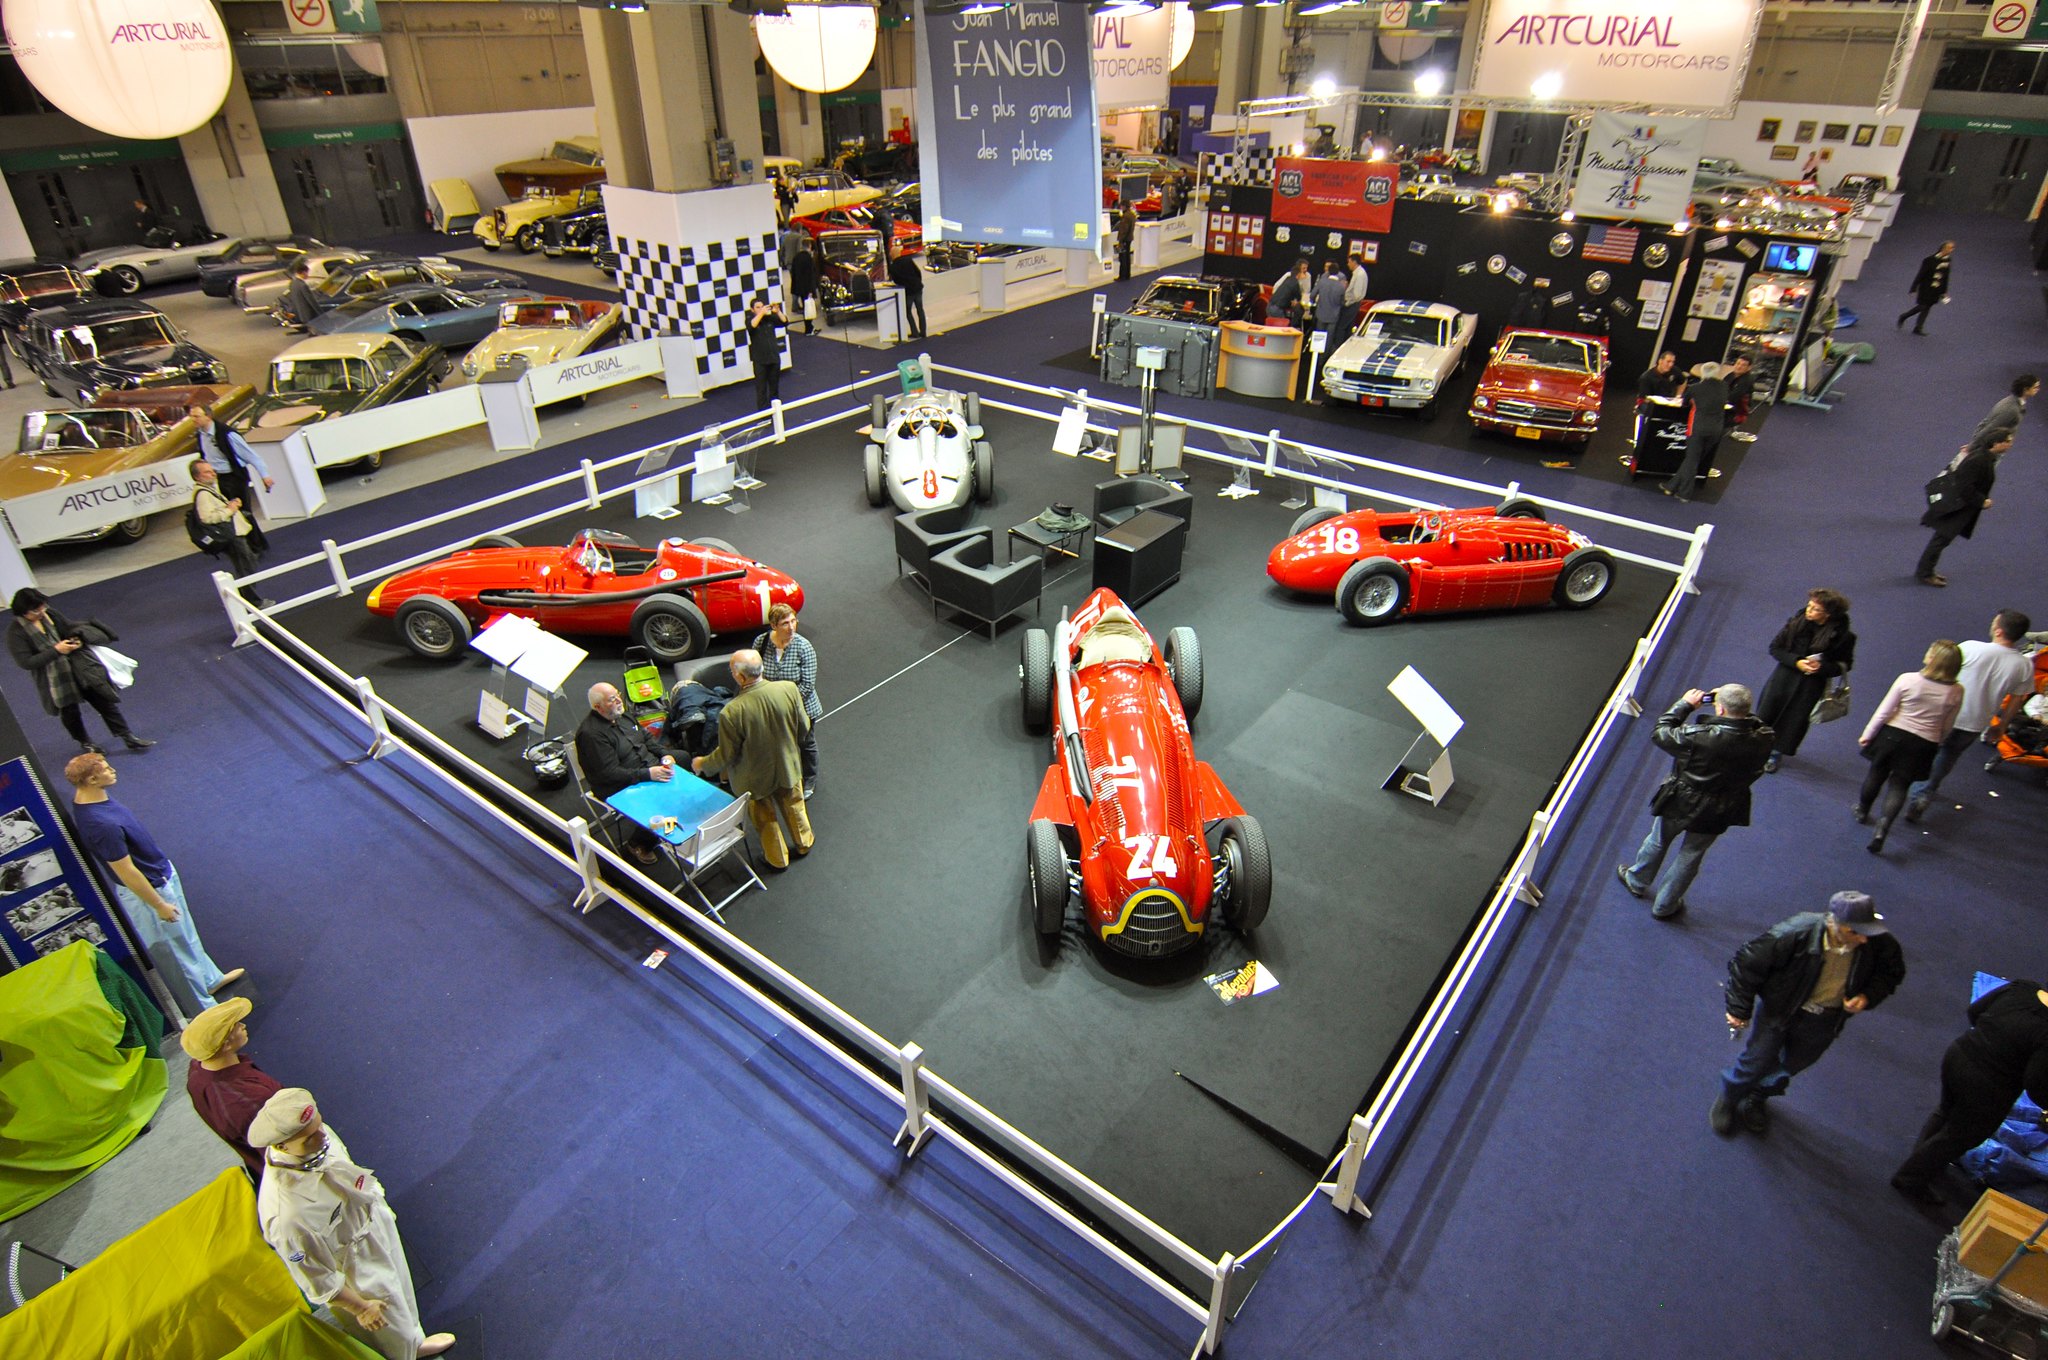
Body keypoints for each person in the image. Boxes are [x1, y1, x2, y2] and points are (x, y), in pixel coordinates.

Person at [251, 1090, 457, 1359]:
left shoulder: (316, 1137)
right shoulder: (287, 1215)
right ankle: (406, 1353)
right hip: (354, 1265)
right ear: (282, 1146)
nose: (322, 1136)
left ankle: (415, 1341)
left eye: (318, 1125)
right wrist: (360, 1307)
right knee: (388, 1324)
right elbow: (317, 1278)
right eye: (309, 1138)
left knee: (401, 1291)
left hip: (371, 1223)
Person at [1714, 892, 1904, 1137]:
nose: (1864, 939)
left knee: (1789, 1066)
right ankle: (1730, 1097)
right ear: (1834, 924)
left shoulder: (1876, 941)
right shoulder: (1796, 932)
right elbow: (1746, 964)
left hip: (1825, 1019)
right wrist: (1739, 1008)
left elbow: (1892, 972)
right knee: (1755, 1060)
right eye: (1855, 932)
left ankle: (1758, 1096)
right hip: (1780, 1010)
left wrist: (1868, 995)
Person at [65, 751, 240, 1017]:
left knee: (186, 936)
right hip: (150, 892)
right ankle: (205, 1013)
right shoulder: (100, 824)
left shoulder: (96, 801)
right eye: (106, 769)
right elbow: (126, 871)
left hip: (160, 875)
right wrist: (158, 904)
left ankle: (209, 979)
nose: (113, 771)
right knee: (175, 953)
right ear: (92, 779)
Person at [1616, 684, 1774, 920]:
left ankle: (1637, 880)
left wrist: (1685, 705)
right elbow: (1756, 725)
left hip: (1681, 799)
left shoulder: (1699, 736)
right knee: (1692, 854)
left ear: (1720, 709)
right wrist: (1735, 708)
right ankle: (1665, 905)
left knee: (1658, 840)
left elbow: (1660, 732)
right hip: (1722, 805)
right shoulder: (1764, 737)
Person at [1892, 979, 2048, 1207]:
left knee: (1946, 1112)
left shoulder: (2021, 988)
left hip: (1959, 1054)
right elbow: (2035, 1082)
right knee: (1959, 1136)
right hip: (1988, 1086)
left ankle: (1922, 1159)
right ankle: (1911, 1178)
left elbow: (1975, 1010)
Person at [1908, 610, 2035, 821]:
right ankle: (1924, 793)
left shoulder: (1970, 647)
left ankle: (1908, 780)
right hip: (1976, 722)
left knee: (1927, 748)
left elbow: (1941, 672)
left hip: (1945, 713)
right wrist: (2001, 725)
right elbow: (2016, 699)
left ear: (1998, 630)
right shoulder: (2024, 665)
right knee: (1948, 756)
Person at [691, 650, 813, 870]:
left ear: (740, 677)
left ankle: (777, 859)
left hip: (754, 779)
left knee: (765, 820)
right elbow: (803, 727)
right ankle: (804, 843)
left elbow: (726, 754)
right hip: (788, 766)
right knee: (795, 806)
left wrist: (702, 763)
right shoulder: (789, 689)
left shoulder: (731, 711)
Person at [7, 588, 153, 754]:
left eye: (43, 607)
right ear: (23, 612)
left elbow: (68, 628)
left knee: (103, 701)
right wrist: (56, 650)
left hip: (78, 667)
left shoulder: (50, 614)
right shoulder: (16, 633)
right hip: (55, 680)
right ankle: (85, 742)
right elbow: (26, 662)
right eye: (36, 610)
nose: (41, 612)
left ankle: (127, 736)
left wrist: (77, 640)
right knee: (70, 712)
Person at [1856, 639, 1964, 854]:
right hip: (1924, 743)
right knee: (1900, 786)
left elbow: (1884, 712)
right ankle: (1883, 827)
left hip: (1892, 736)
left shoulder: (1908, 679)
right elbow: (1948, 724)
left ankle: (1862, 810)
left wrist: (1868, 734)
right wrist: (1938, 741)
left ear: (1933, 659)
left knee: (1876, 774)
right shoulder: (1956, 691)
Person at [1754, 588, 1856, 773]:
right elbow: (1775, 648)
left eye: (1815, 609)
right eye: (1809, 606)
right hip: (1783, 678)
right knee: (1766, 713)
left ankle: (1774, 753)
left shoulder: (1844, 638)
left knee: (1792, 722)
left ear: (1828, 614)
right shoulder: (1796, 623)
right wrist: (1796, 662)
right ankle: (1754, 748)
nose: (1809, 610)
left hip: (1810, 686)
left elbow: (1845, 664)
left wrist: (1822, 668)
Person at [576, 682, 676, 866]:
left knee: (683, 759)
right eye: (611, 699)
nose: (618, 701)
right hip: (618, 784)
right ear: (598, 707)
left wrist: (664, 754)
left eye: (618, 695)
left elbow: (646, 738)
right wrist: (647, 774)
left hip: (646, 767)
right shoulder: (591, 735)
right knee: (663, 799)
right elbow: (608, 773)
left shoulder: (623, 715)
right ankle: (639, 844)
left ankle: (676, 812)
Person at [182, 996, 282, 1177]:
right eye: (236, 1025)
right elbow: (283, 1149)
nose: (243, 1025)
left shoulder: (197, 1072)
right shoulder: (248, 1100)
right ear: (226, 1044)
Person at [1915, 427, 2009, 587]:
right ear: (1996, 443)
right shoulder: (1979, 460)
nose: (2010, 444)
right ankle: (1925, 573)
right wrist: (1982, 501)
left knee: (1941, 539)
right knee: (1941, 539)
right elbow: (1965, 487)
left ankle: (1926, 571)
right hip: (1958, 507)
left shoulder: (1985, 456)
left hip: (1960, 505)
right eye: (2007, 441)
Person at [753, 603, 821, 800]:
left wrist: (784, 705)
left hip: (801, 708)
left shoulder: (804, 647)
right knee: (778, 743)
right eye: (785, 623)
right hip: (772, 707)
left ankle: (809, 778)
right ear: (773, 625)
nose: (791, 627)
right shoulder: (761, 642)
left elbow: (807, 685)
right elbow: (756, 673)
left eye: (793, 621)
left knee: (806, 743)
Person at [190, 402, 272, 554]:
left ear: (208, 416)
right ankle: (244, 547)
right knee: (229, 514)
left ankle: (257, 546)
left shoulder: (227, 434)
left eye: (196, 416)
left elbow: (251, 456)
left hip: (234, 478)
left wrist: (265, 476)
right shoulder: (201, 435)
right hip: (217, 479)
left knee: (244, 513)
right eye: (192, 416)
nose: (193, 420)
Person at [191, 459, 269, 606]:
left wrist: (230, 505)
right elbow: (206, 518)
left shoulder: (209, 490)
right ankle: (253, 602)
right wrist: (230, 510)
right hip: (232, 536)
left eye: (212, 470)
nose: (213, 473)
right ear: (198, 477)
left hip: (233, 534)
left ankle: (244, 598)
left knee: (247, 564)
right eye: (207, 472)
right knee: (246, 567)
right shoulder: (203, 495)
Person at [1661, 362, 1728, 501]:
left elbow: (1684, 403)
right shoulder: (1724, 386)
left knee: (1691, 460)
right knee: (1693, 460)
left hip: (1697, 428)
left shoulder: (1695, 388)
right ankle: (1671, 486)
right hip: (1716, 429)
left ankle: (1684, 493)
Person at [1898, 240, 1954, 334]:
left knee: (1928, 307)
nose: (1952, 250)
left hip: (1937, 289)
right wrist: (1914, 288)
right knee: (1922, 306)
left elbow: (1946, 276)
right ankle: (1904, 316)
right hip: (1926, 287)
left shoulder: (1947, 260)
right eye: (1950, 248)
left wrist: (1944, 291)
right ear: (1943, 248)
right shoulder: (1929, 260)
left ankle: (1918, 328)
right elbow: (1920, 274)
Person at [747, 294, 787, 408]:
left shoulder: (769, 319)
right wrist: (761, 313)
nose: (761, 309)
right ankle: (763, 413)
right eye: (758, 307)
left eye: (762, 306)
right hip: (760, 361)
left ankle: (775, 412)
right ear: (752, 310)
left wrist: (778, 311)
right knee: (761, 390)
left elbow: (784, 322)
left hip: (773, 359)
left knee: (774, 388)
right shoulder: (750, 319)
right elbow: (752, 326)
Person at [1973, 373, 2036, 442]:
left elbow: (1985, 423)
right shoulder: (2011, 409)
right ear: (2026, 389)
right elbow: (1989, 428)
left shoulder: (2012, 402)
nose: (2038, 389)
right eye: (2035, 387)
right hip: (1990, 446)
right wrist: (1972, 446)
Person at [888, 243, 927, 341]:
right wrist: (917, 282)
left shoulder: (893, 267)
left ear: (892, 255)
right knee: (920, 310)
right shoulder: (908, 260)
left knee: (908, 312)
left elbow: (896, 281)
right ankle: (923, 332)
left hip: (908, 292)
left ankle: (914, 332)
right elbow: (918, 272)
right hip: (917, 288)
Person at [1312, 260, 1348, 358]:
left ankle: (1316, 357)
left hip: (1321, 314)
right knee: (1329, 338)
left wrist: (1315, 302)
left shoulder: (1322, 282)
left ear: (1328, 271)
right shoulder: (1341, 287)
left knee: (1319, 336)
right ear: (1337, 272)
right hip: (1333, 316)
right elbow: (1342, 302)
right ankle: (1324, 358)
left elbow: (1312, 295)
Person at [1724, 354, 1758, 442]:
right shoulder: (1731, 375)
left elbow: (1733, 398)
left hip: (1737, 411)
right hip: (1728, 404)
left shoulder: (1746, 381)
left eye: (1743, 365)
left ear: (1749, 368)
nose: (1739, 366)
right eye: (1738, 363)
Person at [789, 241, 820, 336]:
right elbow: (810, 275)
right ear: (809, 246)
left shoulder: (796, 257)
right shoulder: (808, 258)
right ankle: (809, 329)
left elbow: (793, 272)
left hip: (799, 287)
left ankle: (810, 328)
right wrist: (811, 290)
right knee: (808, 309)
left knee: (805, 307)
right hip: (807, 288)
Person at [1269, 261, 1311, 330]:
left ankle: (1292, 326)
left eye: (1306, 268)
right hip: (1278, 306)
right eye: (1303, 268)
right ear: (1298, 270)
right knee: (1281, 329)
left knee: (1299, 310)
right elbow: (1277, 286)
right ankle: (1291, 328)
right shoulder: (1291, 278)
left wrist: (1304, 280)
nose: (1305, 270)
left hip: (1275, 304)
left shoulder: (1306, 276)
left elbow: (1306, 291)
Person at [1341, 251, 1370, 337]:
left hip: (1352, 305)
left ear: (1354, 262)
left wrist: (1347, 303)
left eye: (1349, 262)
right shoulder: (1357, 273)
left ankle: (1339, 343)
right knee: (1348, 327)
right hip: (1352, 304)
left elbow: (1357, 295)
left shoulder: (1360, 274)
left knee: (1342, 326)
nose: (1348, 264)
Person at [1115, 204, 1137, 282]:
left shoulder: (1126, 216)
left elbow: (1124, 229)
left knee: (1123, 258)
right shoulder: (1132, 215)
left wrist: (1120, 240)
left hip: (1124, 239)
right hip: (1129, 238)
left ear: (1124, 206)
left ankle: (1122, 275)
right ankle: (1127, 274)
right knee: (1127, 257)